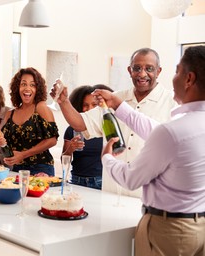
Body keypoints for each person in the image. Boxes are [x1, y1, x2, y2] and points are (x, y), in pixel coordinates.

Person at [98, 45, 205, 256]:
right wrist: (121, 107)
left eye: (177, 71)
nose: (173, 79)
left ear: (189, 79)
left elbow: (130, 179)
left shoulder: (172, 132)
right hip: (199, 228)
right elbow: (159, 133)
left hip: (168, 232)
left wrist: (107, 158)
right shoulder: (187, 128)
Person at [52, 48, 177, 197]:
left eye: (149, 68)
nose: (142, 74)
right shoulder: (115, 97)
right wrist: (64, 102)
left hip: (149, 196)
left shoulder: (172, 104)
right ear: (129, 70)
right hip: (111, 193)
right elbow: (80, 123)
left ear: (159, 71)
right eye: (137, 68)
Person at [0, 67, 59, 176]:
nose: (27, 88)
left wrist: (23, 155)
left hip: (41, 168)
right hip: (16, 169)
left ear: (38, 89)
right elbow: (3, 142)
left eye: (32, 85)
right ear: (17, 88)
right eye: (23, 84)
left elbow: (52, 140)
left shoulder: (40, 107)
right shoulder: (10, 114)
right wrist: (0, 142)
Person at [62, 84, 113, 190]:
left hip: (101, 181)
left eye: (94, 105)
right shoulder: (72, 129)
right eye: (85, 105)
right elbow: (64, 159)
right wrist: (70, 148)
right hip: (76, 181)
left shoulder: (107, 128)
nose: (89, 109)